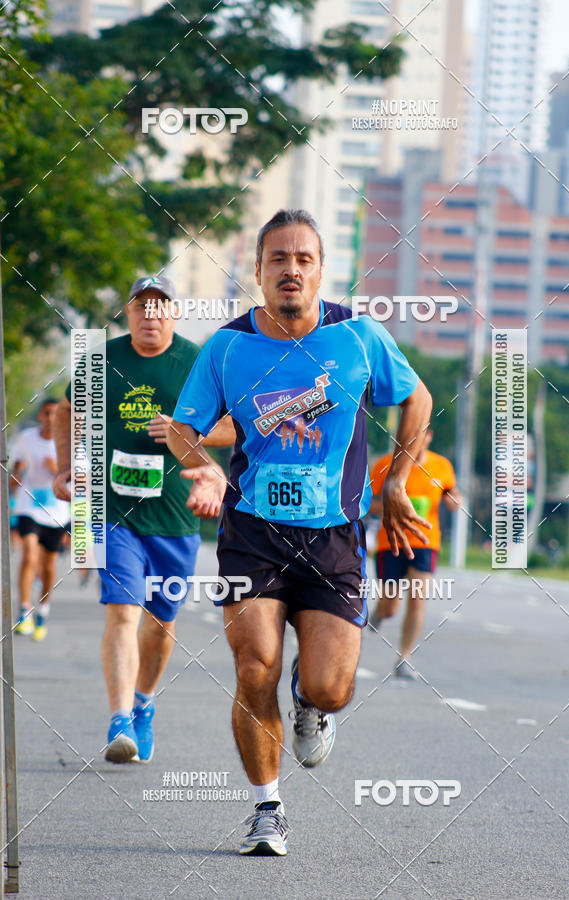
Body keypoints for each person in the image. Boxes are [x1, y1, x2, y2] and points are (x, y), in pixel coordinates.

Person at [167, 208, 433, 856]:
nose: (291, 269)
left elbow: (417, 398)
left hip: (334, 538)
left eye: (303, 259)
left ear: (320, 270)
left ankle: (310, 703)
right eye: (278, 259)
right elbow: (182, 429)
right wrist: (203, 471)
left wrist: (396, 482)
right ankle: (267, 808)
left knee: (329, 686)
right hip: (252, 533)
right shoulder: (226, 347)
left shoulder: (360, 336)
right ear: (258, 271)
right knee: (253, 664)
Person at [53, 275, 234, 764]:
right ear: (128, 314)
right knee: (122, 611)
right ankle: (118, 719)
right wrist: (67, 467)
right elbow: (67, 412)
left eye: (160, 307)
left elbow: (231, 424)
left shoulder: (196, 361)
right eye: (141, 306)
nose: (150, 315)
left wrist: (185, 431)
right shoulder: (99, 360)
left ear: (174, 314)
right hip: (112, 511)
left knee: (160, 622)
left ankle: (143, 702)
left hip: (175, 515)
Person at [368, 428, 462, 678]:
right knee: (391, 606)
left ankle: (404, 658)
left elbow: (451, 492)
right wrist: (394, 506)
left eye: (422, 437)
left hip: (425, 541)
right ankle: (380, 612)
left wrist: (454, 500)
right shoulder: (386, 464)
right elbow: (365, 502)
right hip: (391, 541)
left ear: (429, 436)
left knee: (418, 598)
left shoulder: (441, 466)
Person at [10, 399, 70, 641]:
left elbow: (82, 482)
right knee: (29, 555)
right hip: (29, 507)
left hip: (57, 512)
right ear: (41, 416)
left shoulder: (70, 443)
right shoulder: (27, 438)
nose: (51, 418)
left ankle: (43, 609)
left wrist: (57, 468)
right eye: (47, 413)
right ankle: (24, 610)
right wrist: (15, 477)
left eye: (56, 414)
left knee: (47, 566)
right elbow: (14, 469)